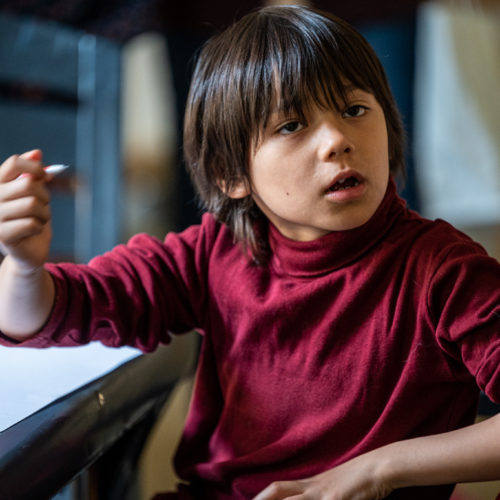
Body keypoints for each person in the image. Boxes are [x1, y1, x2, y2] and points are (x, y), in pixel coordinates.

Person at [0, 6, 499, 500]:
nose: (337, 140)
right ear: (231, 175)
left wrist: (379, 470)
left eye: (354, 110)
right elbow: (42, 315)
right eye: (292, 125)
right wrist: (23, 266)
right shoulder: (213, 253)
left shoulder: (446, 272)